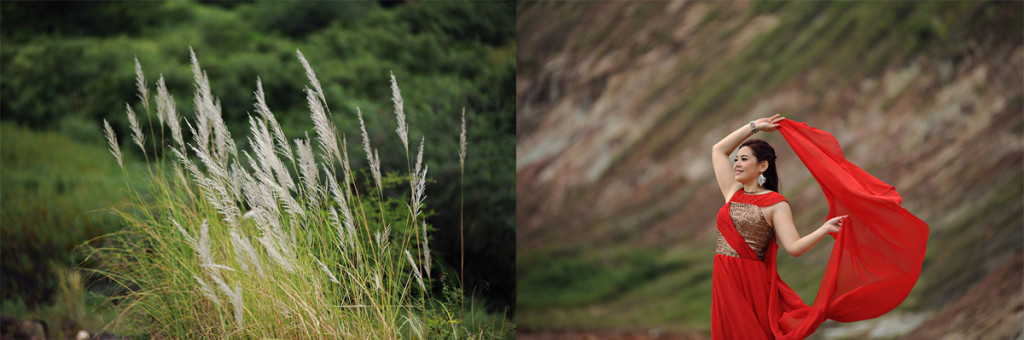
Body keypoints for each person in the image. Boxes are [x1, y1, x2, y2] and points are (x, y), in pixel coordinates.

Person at [708, 115, 929, 339]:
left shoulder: (775, 204)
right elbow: (718, 150)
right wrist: (754, 126)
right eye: (736, 159)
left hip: (752, 284)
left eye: (744, 159)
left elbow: (794, 247)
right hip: (725, 280)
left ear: (762, 166)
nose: (736, 164)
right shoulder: (732, 193)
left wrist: (823, 230)